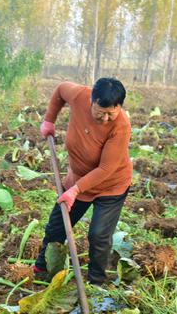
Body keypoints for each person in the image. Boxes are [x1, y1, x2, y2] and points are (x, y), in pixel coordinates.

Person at [33, 77, 132, 285]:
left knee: (98, 236)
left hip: (110, 186)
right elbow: (60, 90)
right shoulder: (79, 95)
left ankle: (96, 282)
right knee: (56, 226)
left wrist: (76, 190)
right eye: (100, 112)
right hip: (77, 179)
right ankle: (42, 268)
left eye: (111, 114)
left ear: (119, 107)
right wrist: (49, 120)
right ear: (92, 101)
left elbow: (106, 169)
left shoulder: (121, 126)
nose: (105, 118)